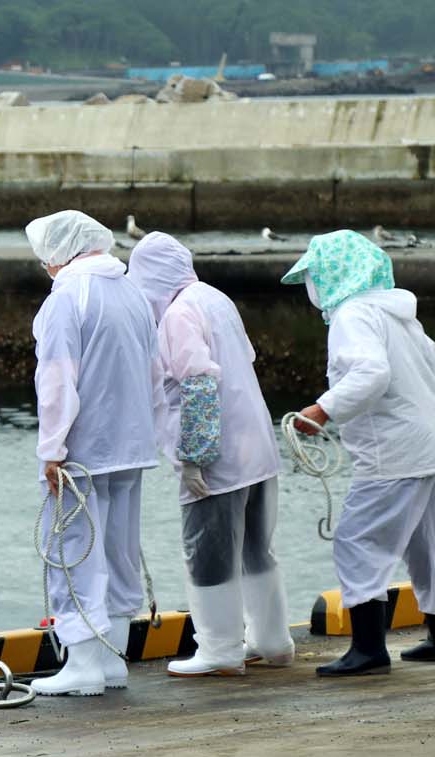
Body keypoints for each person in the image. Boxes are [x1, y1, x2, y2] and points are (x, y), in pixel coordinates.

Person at [128, 232, 294, 677]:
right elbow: (246, 357)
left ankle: (220, 647)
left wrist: (195, 454)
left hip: (218, 454)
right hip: (256, 445)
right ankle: (273, 640)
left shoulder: (177, 314)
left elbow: (198, 381)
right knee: (257, 549)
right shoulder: (214, 298)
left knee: (209, 552)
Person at [284, 230, 435, 676]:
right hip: (427, 444)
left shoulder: (353, 315)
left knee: (358, 541)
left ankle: (368, 648)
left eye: (313, 276)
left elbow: (371, 374)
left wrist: (321, 410)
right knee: (427, 545)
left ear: (333, 275)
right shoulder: (399, 314)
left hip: (393, 451)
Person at [25, 210, 161, 696]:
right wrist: (150, 433)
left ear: (59, 254)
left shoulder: (68, 297)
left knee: (71, 550)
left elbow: (57, 378)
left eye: (45, 258)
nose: (45, 267)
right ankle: (112, 660)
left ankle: (82, 662)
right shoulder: (133, 292)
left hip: (83, 447)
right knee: (120, 550)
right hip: (131, 444)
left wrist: (52, 447)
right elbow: (155, 369)